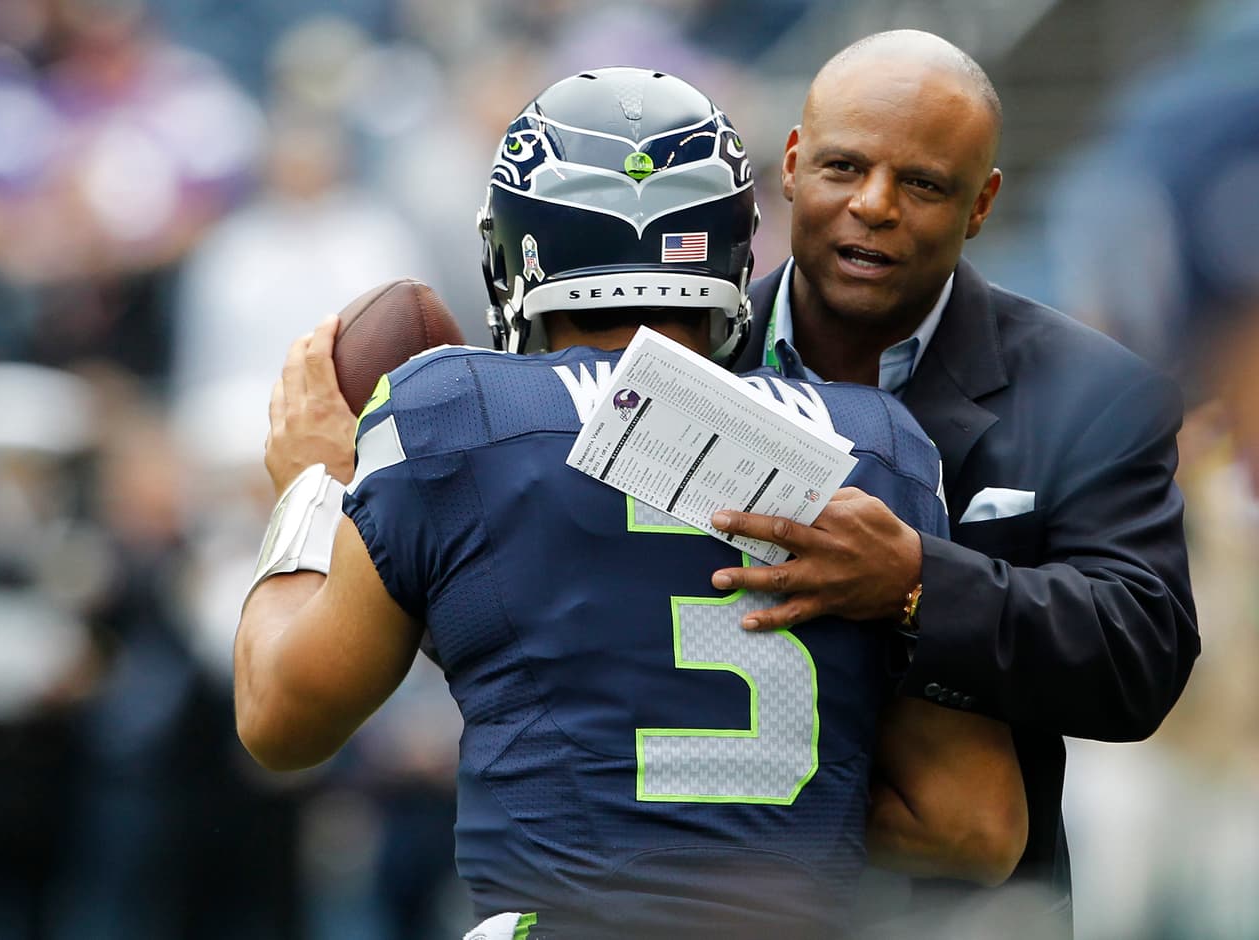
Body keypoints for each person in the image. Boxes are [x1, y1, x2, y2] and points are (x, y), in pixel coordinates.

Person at [234, 67, 1027, 939]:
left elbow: (280, 720)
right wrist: (753, 804)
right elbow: (974, 826)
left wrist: (310, 488)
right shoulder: (879, 442)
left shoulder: (453, 411)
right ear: (732, 246)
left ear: (518, 251)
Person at [713, 29, 1199, 936]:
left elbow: (1142, 654)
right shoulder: (679, 358)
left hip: (960, 914)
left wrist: (915, 584)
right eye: (843, 166)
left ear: (983, 205)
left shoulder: (1094, 393)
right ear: (788, 164)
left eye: (924, 184)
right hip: (702, 900)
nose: (874, 205)